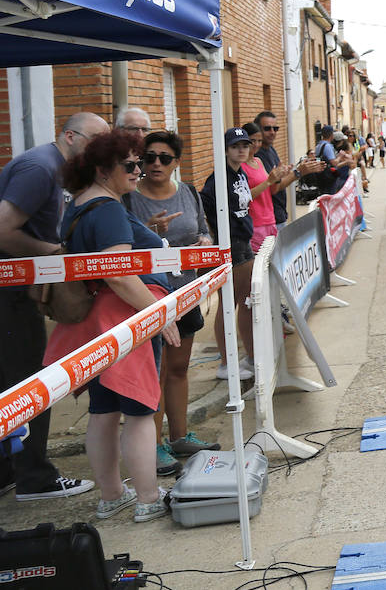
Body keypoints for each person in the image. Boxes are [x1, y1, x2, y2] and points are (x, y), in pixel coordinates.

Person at [46, 129, 179, 522]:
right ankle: (148, 498)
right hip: (124, 316)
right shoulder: (106, 209)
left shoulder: (79, 205)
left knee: (103, 410)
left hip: (99, 319)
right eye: (131, 164)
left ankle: (111, 495)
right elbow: (119, 274)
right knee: (140, 410)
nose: (140, 170)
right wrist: (159, 316)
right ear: (104, 171)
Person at [0, 112, 106, 503]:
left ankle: (10, 471)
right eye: (95, 140)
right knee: (29, 380)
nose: (100, 149)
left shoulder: (56, 168)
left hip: (15, 287)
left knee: (11, 379)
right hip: (8, 290)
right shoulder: (40, 168)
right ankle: (35, 479)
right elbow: (3, 229)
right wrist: (56, 254)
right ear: (70, 136)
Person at [126, 131, 221, 475]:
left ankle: (180, 437)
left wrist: (205, 240)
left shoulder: (189, 193)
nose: (155, 164)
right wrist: (149, 229)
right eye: (149, 157)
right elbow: (124, 249)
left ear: (176, 163)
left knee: (179, 369)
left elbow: (204, 230)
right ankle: (154, 446)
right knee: (157, 372)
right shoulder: (130, 201)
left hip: (186, 294)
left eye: (164, 158)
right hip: (150, 299)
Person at [201, 128, 257, 381]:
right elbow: (208, 209)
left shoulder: (239, 173)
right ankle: (225, 363)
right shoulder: (218, 180)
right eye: (235, 146)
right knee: (229, 304)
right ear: (225, 150)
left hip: (244, 241)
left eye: (244, 145)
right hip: (231, 245)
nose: (241, 150)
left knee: (247, 301)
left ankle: (249, 356)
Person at [254, 111, 323, 229]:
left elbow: (277, 181)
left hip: (278, 215)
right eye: (267, 128)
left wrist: (290, 171)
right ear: (258, 129)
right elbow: (273, 188)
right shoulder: (258, 156)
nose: (272, 132)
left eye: (275, 128)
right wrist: (298, 173)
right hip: (268, 220)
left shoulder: (270, 149)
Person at [242, 123, 289, 253]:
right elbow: (245, 196)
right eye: (252, 141)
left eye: (259, 141)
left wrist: (278, 177)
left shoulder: (258, 161)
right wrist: (269, 181)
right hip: (255, 223)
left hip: (270, 220)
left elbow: (271, 191)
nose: (256, 145)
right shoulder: (240, 167)